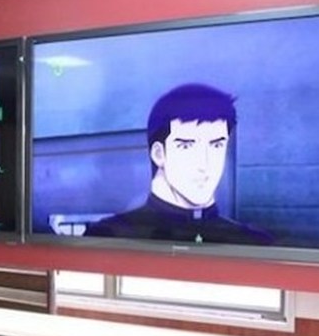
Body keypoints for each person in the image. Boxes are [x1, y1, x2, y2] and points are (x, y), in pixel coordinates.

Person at [87, 83, 275, 245]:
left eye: (216, 145)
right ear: (159, 154)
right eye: (186, 146)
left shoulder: (253, 242)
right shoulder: (107, 236)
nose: (204, 163)